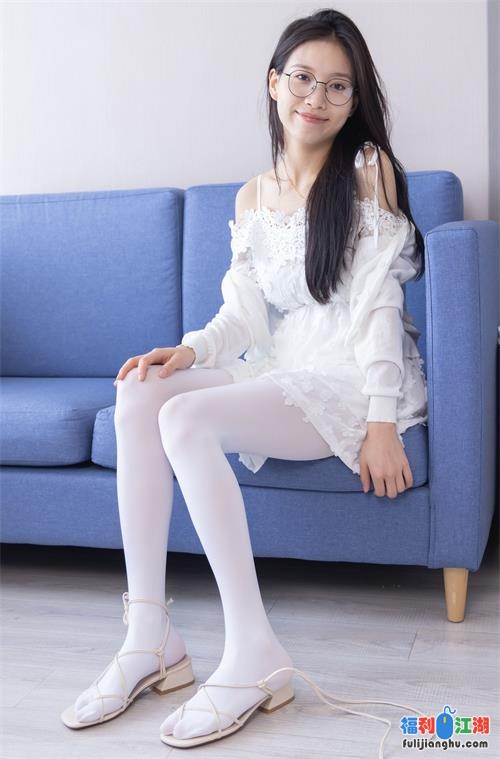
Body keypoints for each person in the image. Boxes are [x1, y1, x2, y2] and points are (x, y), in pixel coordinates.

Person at [61, 7, 430, 755]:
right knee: (140, 393)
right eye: (303, 78)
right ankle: (149, 635)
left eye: (337, 86)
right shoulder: (252, 196)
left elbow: (378, 302)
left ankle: (254, 649)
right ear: (273, 83)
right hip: (283, 362)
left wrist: (382, 418)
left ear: (355, 100)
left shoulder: (367, 170)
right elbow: (243, 317)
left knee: (186, 421)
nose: (316, 98)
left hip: (352, 374)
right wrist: (188, 352)